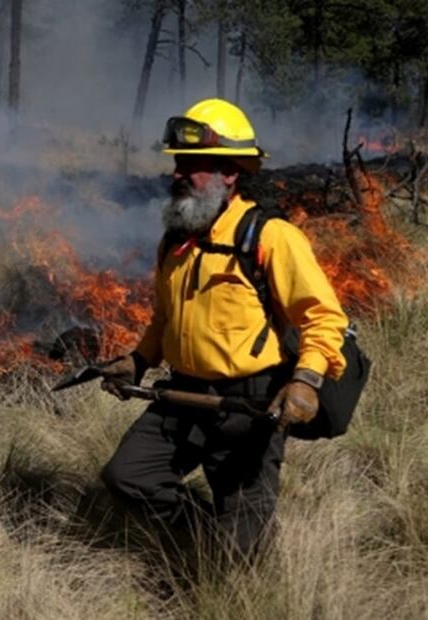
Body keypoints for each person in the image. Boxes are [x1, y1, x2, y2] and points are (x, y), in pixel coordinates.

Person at [99, 98, 348, 561]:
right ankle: (200, 536)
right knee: (127, 477)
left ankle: (227, 551)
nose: (177, 174)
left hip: (249, 407)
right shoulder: (176, 241)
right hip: (181, 397)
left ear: (230, 172)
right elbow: (165, 318)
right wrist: (138, 360)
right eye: (178, 163)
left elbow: (324, 317)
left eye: (191, 165)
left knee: (237, 553)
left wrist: (306, 380)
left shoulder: (270, 237)